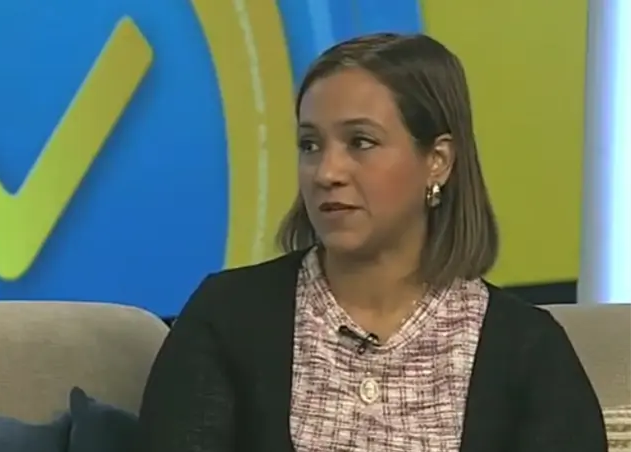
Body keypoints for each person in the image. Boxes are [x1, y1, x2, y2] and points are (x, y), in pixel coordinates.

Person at [137, 33, 607, 452]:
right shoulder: (228, 316)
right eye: (310, 145)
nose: (327, 173)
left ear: (438, 161)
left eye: (360, 142)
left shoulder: (528, 351)